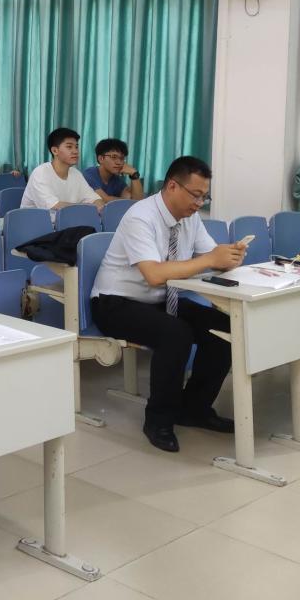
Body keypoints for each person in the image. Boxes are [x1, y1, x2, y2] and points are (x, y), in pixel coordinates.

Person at [90, 156, 247, 453]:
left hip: (160, 300)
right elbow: (154, 274)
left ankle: (194, 409)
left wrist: (228, 257)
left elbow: (210, 256)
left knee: (225, 328)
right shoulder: (141, 217)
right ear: (173, 186)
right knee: (175, 333)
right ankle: (158, 420)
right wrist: (209, 259)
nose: (199, 203)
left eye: (204, 196)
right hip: (115, 302)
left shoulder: (190, 217)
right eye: (196, 195)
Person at [21, 128, 103, 213]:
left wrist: (98, 205)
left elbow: (96, 199)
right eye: (69, 147)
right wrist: (88, 208)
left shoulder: (76, 173)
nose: (75, 151)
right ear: (55, 151)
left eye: (76, 147)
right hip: (34, 220)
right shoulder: (40, 173)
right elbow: (55, 206)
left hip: (67, 219)